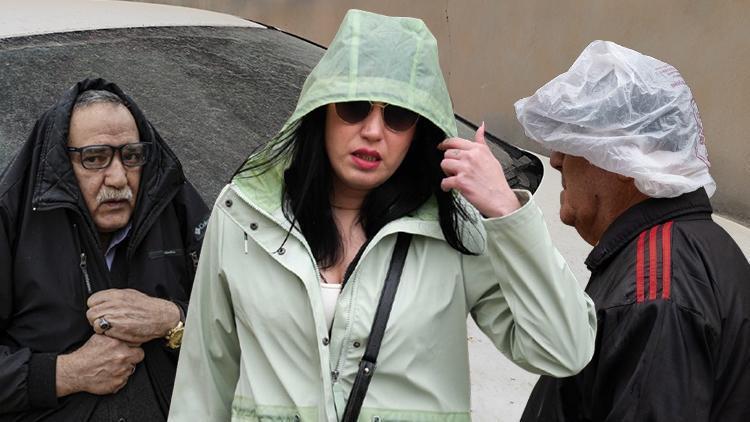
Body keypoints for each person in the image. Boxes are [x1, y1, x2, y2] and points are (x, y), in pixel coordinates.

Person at [169, 10, 596, 421]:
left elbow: (563, 350)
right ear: (322, 110)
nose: (373, 131)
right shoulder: (244, 215)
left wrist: (506, 210)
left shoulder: (453, 230)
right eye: (355, 107)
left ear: (419, 130)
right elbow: (204, 381)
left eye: (398, 116)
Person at [516, 40, 750, 421]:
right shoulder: (683, 252)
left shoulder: (655, 289)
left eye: (573, 139)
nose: (556, 159)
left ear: (628, 159)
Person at [0, 78, 210, 421]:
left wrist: (173, 319)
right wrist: (64, 374)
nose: (118, 178)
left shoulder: (175, 207)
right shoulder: (12, 218)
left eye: (132, 156)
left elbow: (248, 324)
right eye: (95, 158)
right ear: (62, 163)